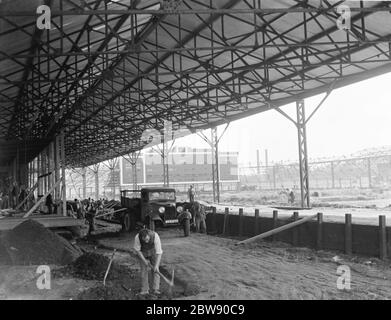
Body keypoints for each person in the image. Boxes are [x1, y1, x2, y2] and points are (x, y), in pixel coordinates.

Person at [133, 228, 163, 296]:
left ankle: (156, 289)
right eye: (144, 240)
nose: (146, 241)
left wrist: (156, 265)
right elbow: (138, 251)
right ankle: (145, 290)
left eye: (147, 239)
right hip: (142, 252)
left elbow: (159, 252)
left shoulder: (155, 236)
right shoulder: (137, 237)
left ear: (149, 235)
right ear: (141, 237)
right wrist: (144, 260)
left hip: (153, 251)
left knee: (156, 270)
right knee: (144, 270)